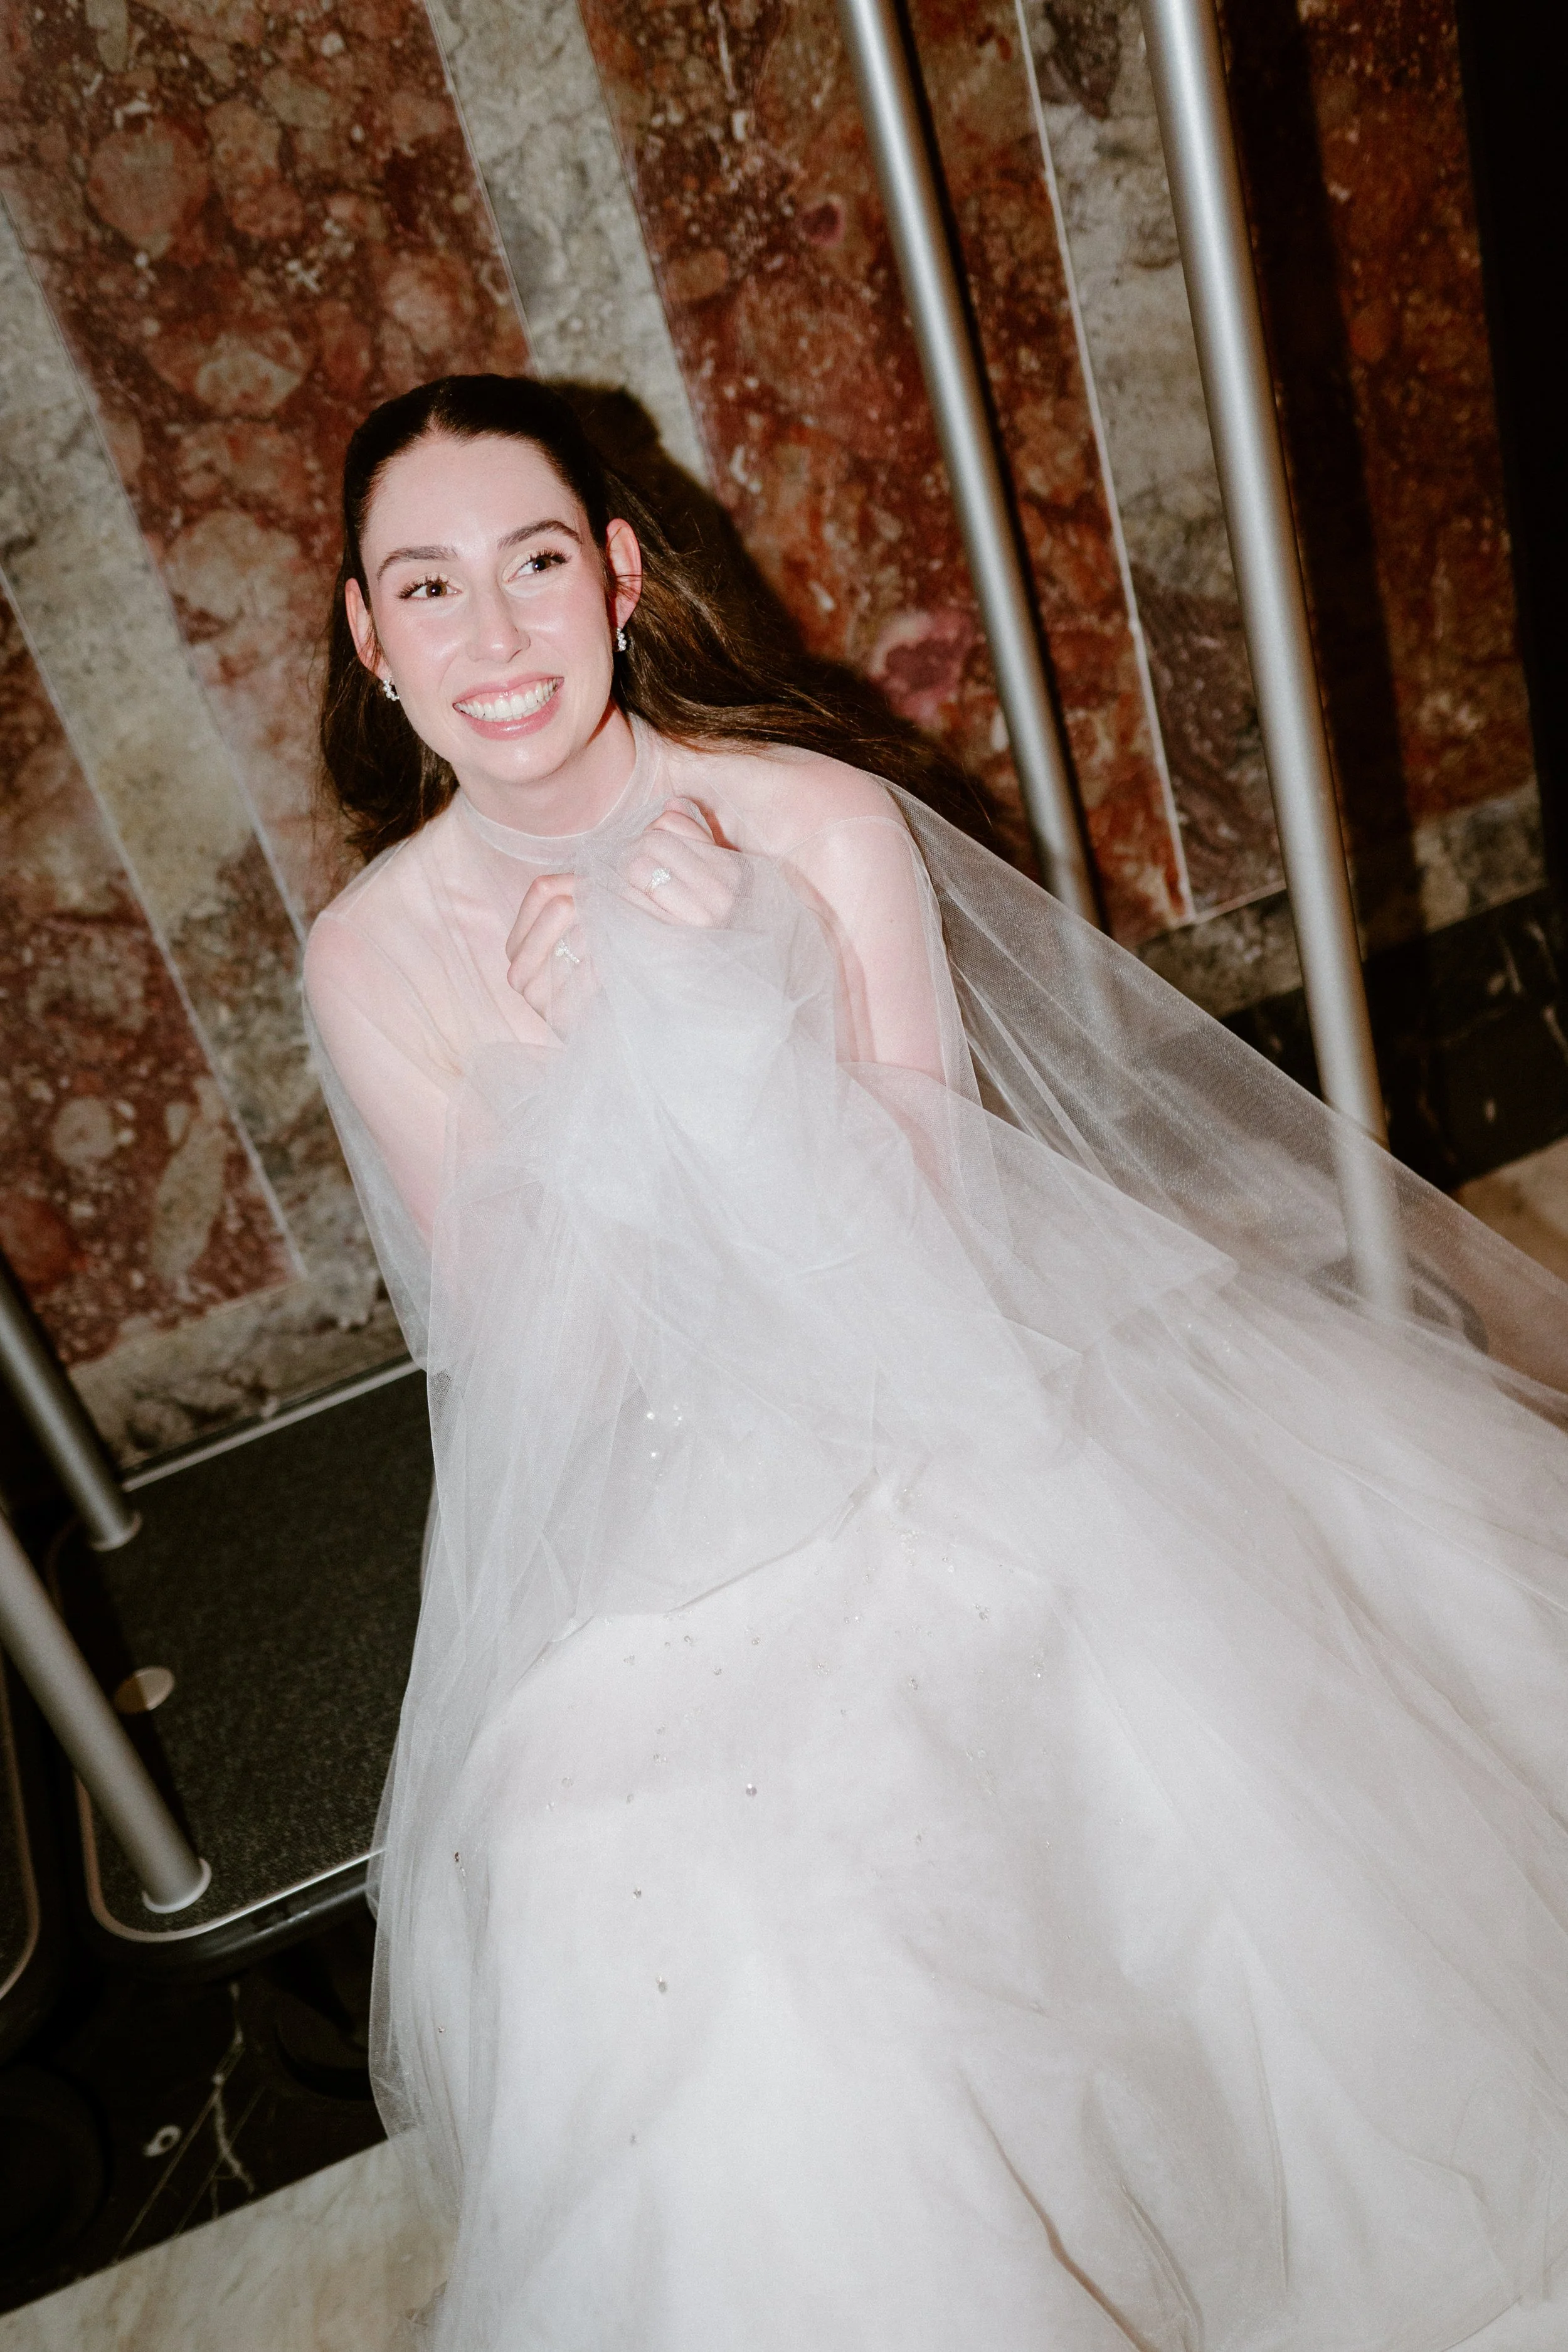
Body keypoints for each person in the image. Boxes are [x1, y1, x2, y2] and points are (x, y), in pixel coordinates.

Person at [305, 374, 1568, 2351]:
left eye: (535, 563)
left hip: (932, 1394)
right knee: (641, 1893)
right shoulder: (376, 952)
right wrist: (564, 1079)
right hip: (652, 1492)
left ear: (621, 577)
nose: (494, 634)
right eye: (430, 587)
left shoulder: (811, 821)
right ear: (370, 638)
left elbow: (919, 1244)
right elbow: (537, 1368)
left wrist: (729, 1005)